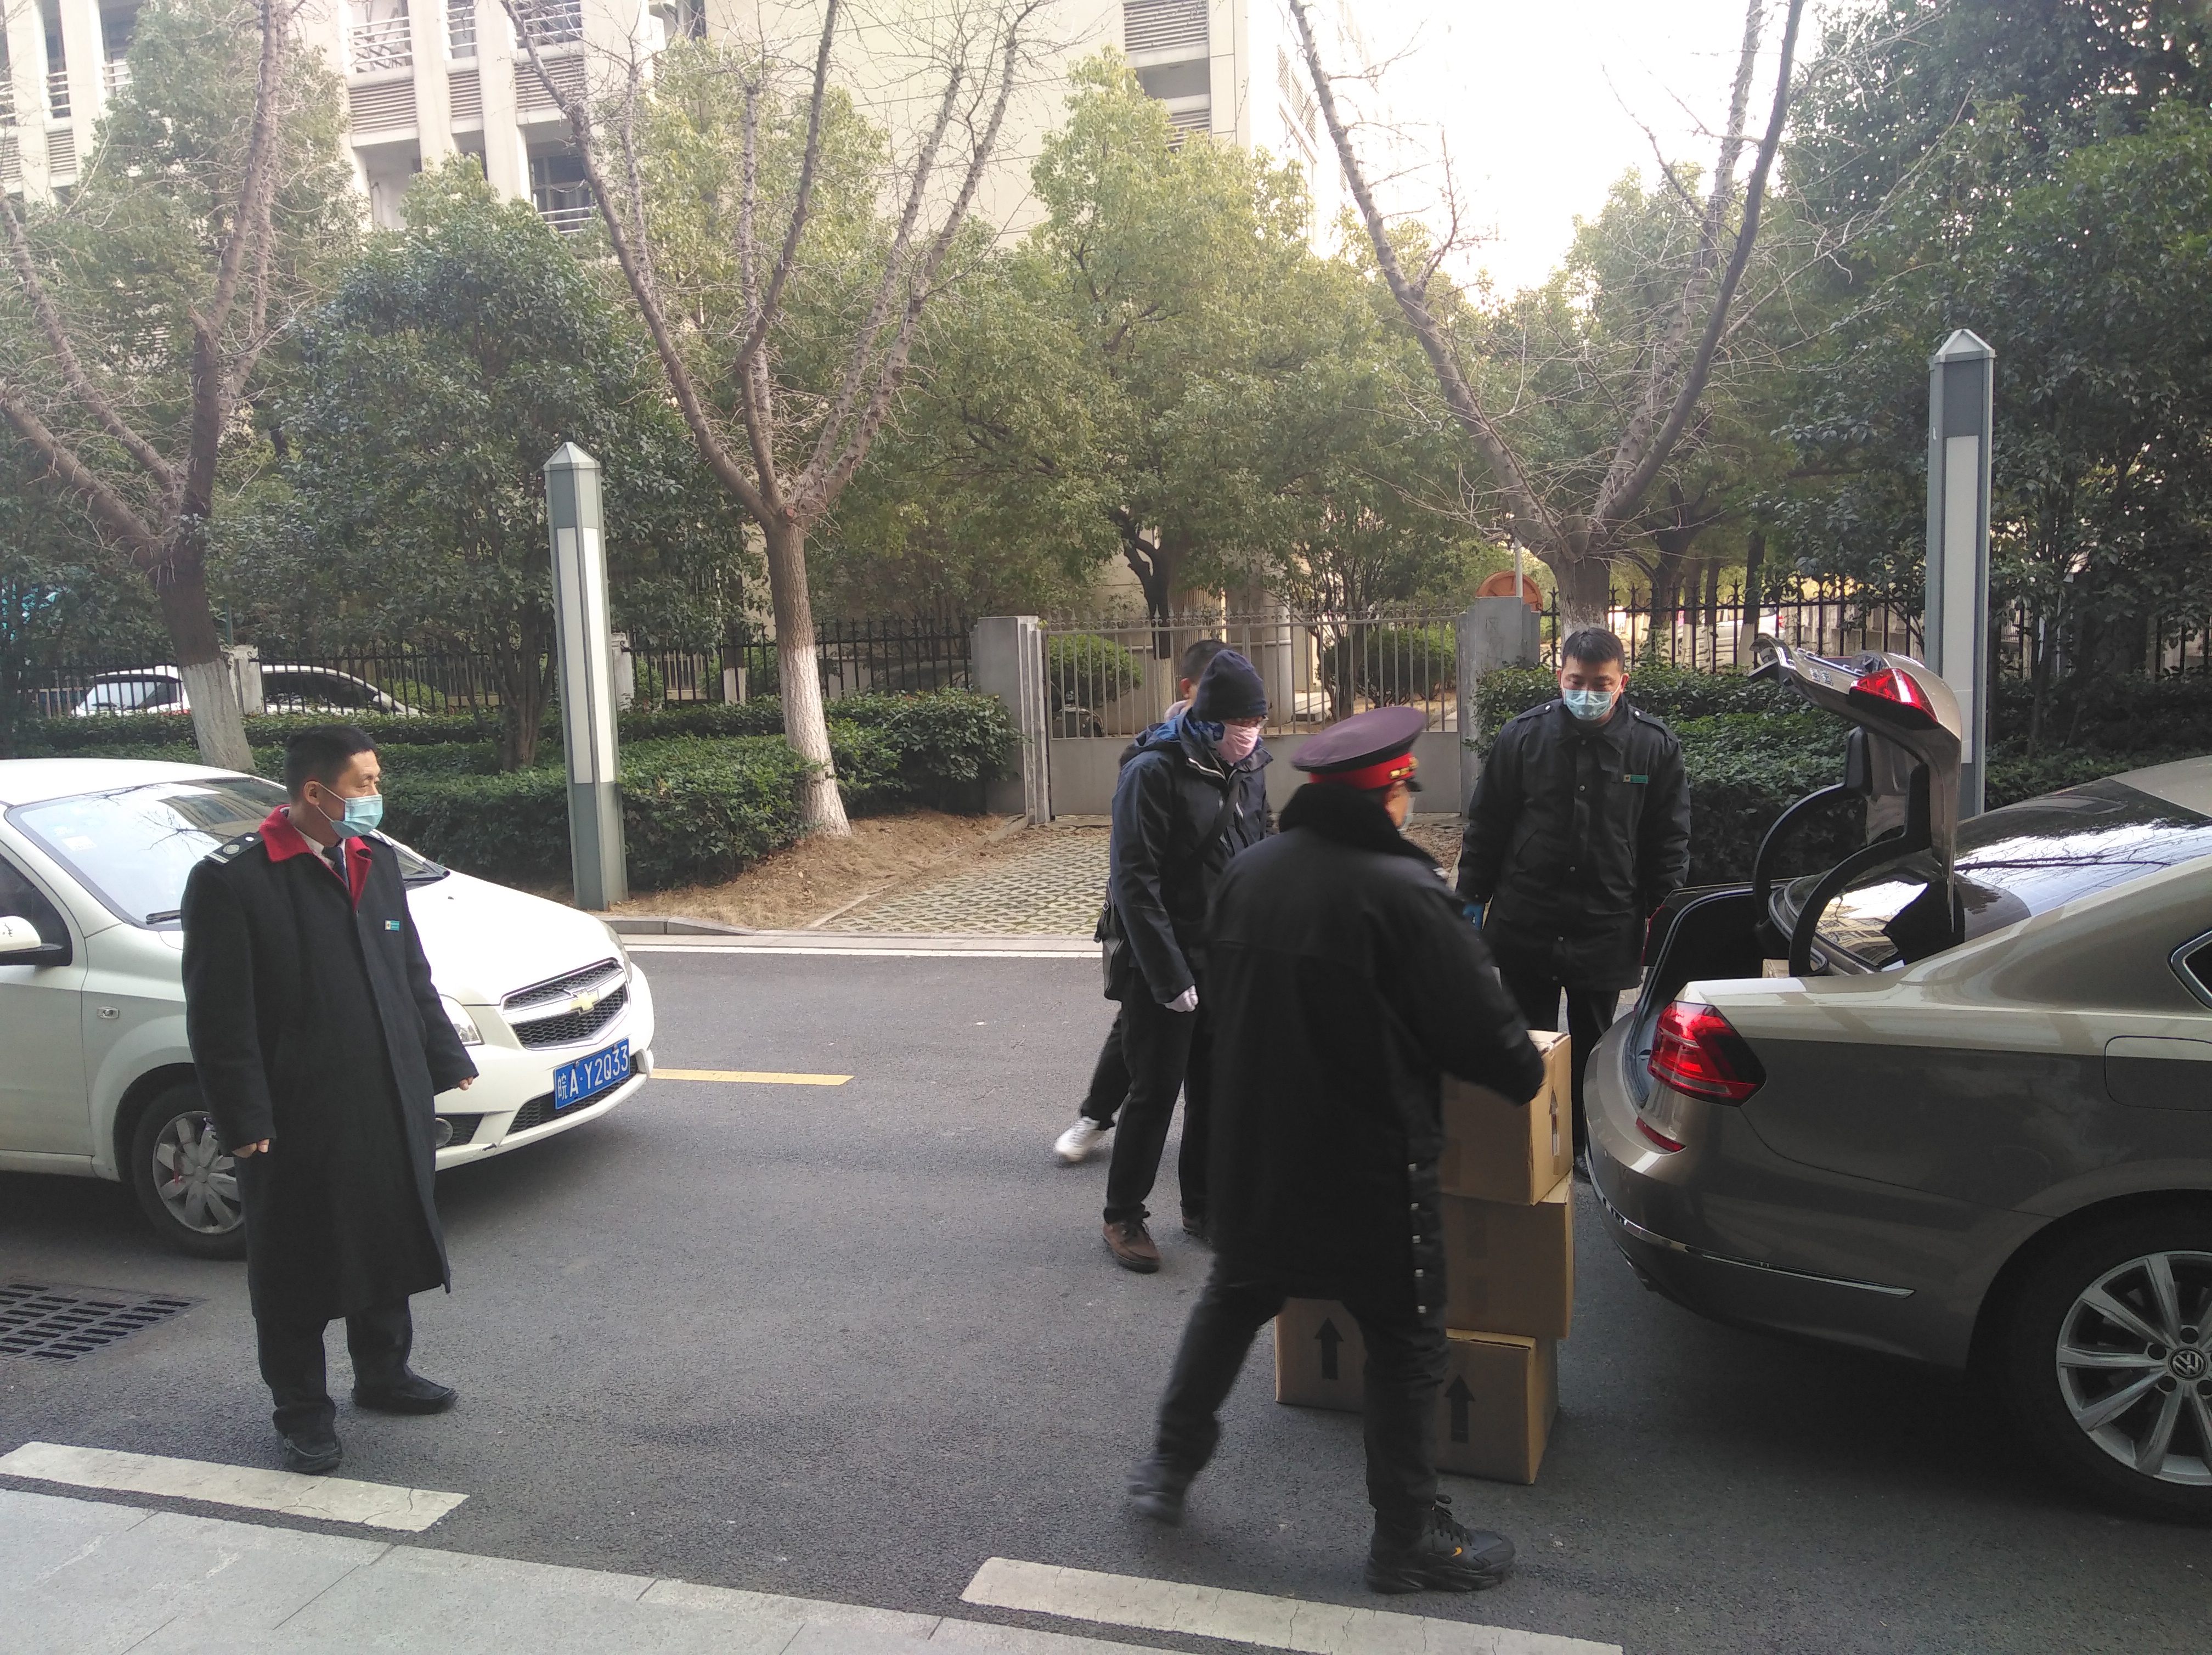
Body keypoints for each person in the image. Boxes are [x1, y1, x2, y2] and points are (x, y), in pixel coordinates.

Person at [1127, 706, 1546, 1593]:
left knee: (1234, 1296)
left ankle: (1169, 1463)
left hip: (1257, 1153)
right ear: (1389, 791)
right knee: (1406, 1340)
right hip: (1370, 1171)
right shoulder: (1406, 894)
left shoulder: (1251, 871)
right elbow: (1505, 1056)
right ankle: (1406, 1540)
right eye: (1406, 788)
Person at [181, 725, 479, 1474]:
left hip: (385, 1093)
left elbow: (409, 967)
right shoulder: (234, 880)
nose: (376, 796)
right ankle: (302, 1413)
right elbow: (219, 1016)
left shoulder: (371, 858)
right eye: (364, 784)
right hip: (296, 1114)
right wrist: (244, 1116)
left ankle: (384, 1373)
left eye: (377, 780)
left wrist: (443, 1056)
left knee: (385, 1236)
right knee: (298, 1263)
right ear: (316, 793)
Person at [1455, 627, 1689, 1158]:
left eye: (1601, 683)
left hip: (1606, 926)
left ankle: (1584, 1149)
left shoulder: (1653, 747)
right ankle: (1530, 1150)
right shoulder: (1523, 738)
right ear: (1560, 677)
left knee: (1595, 1051)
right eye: (1577, 681)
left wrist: (1663, 915)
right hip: (1527, 920)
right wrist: (1470, 898)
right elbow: (1488, 825)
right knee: (1527, 1045)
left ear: (1622, 682)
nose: (1588, 693)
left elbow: (1668, 841)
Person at [1095, 648, 1272, 1271]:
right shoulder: (1154, 771)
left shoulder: (1250, 766)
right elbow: (1134, 881)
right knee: (1155, 1092)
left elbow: (1259, 849)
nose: (1250, 732)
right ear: (1209, 717)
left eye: (1258, 721)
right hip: (1161, 959)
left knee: (1215, 1092)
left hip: (1224, 956)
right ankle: (1124, 1215)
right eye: (1240, 721)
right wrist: (1169, 976)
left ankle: (1203, 1206)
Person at [1055, 637, 1253, 1166]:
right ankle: (1097, 1117)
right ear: (1190, 689)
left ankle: (1202, 1185)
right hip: (1161, 930)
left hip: (1217, 938)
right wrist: (1165, 961)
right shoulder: (1151, 759)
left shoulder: (1242, 757)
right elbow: (1136, 871)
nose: (1242, 718)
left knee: (1203, 1067)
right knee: (1142, 1032)